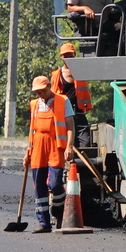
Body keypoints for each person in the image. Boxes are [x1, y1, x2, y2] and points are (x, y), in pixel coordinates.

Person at [23, 75, 75, 233]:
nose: (40, 94)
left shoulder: (63, 101)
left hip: (55, 146)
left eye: (43, 91)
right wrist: (28, 152)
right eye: (37, 92)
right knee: (39, 185)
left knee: (54, 183)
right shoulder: (34, 104)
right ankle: (43, 223)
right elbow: (32, 130)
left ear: (49, 87)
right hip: (38, 147)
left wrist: (69, 146)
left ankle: (58, 210)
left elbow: (70, 125)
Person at [50, 42, 93, 148]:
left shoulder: (80, 71)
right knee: (62, 142)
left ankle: (80, 163)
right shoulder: (56, 75)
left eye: (70, 55)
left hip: (78, 112)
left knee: (84, 142)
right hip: (63, 114)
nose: (68, 58)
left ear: (74, 55)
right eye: (66, 56)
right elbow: (51, 94)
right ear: (62, 57)